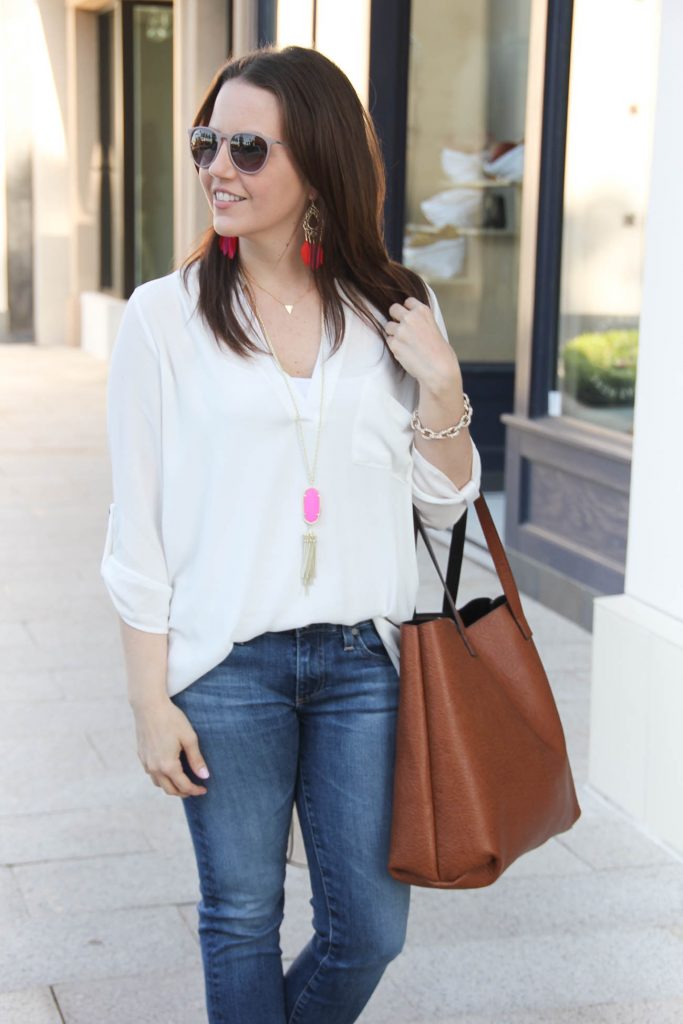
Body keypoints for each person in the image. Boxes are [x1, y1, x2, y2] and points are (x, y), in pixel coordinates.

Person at [100, 44, 481, 1024]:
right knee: (239, 917)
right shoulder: (162, 319)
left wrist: (442, 390)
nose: (216, 167)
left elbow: (440, 512)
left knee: (369, 930)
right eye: (204, 143)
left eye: (246, 147)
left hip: (363, 659)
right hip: (225, 664)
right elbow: (134, 527)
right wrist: (149, 697)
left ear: (314, 159)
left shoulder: (393, 306)